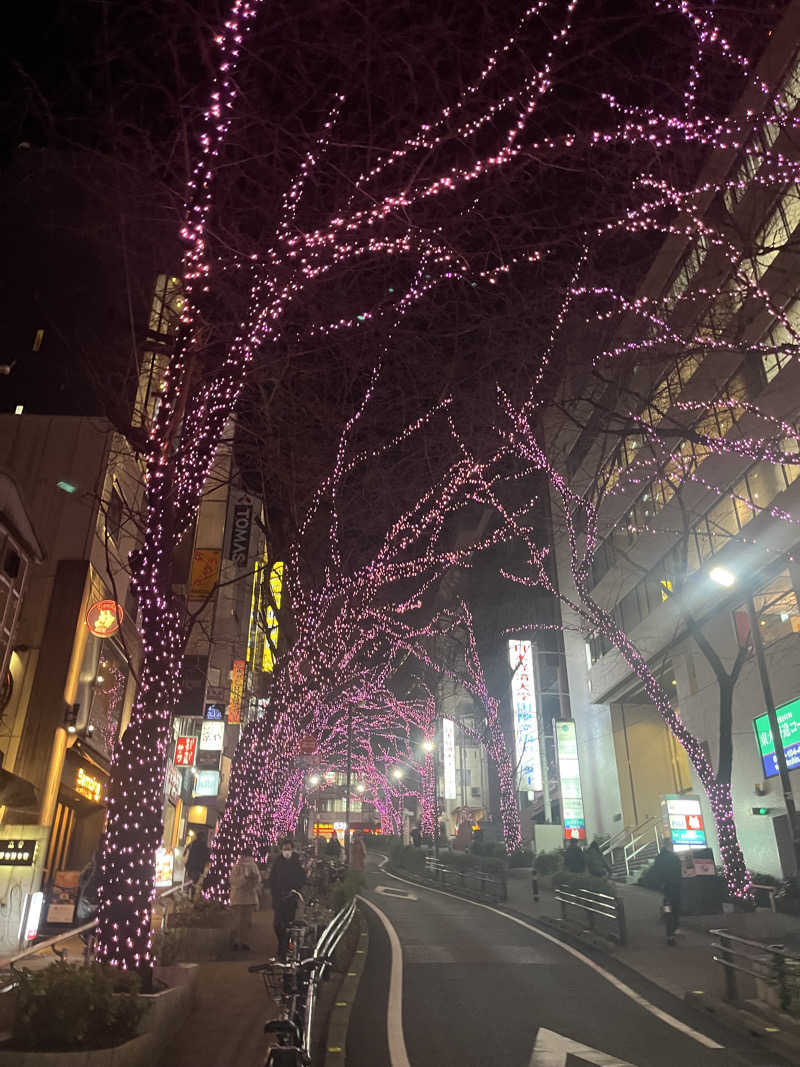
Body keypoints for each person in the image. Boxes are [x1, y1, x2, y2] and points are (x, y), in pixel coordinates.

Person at [269, 838, 307, 959]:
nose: (287, 851)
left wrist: (296, 890)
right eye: (285, 849)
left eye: (289, 849)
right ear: (281, 850)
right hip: (279, 899)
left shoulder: (296, 862)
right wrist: (275, 893)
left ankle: (284, 949)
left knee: (288, 925)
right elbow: (272, 879)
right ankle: (282, 945)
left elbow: (302, 878)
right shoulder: (278, 862)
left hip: (291, 899)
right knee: (277, 925)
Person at [650, 838, 683, 944]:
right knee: (676, 908)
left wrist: (660, 884)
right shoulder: (674, 857)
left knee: (668, 909)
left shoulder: (659, 858)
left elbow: (655, 872)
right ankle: (675, 928)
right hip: (676, 888)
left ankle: (670, 934)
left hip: (666, 889)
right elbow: (679, 871)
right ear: (670, 845)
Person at [229, 850, 261, 951]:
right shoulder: (237, 866)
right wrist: (244, 878)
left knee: (246, 922)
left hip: (248, 898)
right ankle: (236, 941)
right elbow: (233, 881)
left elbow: (258, 880)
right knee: (238, 922)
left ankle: (244, 942)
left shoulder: (253, 866)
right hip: (238, 898)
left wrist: (253, 881)